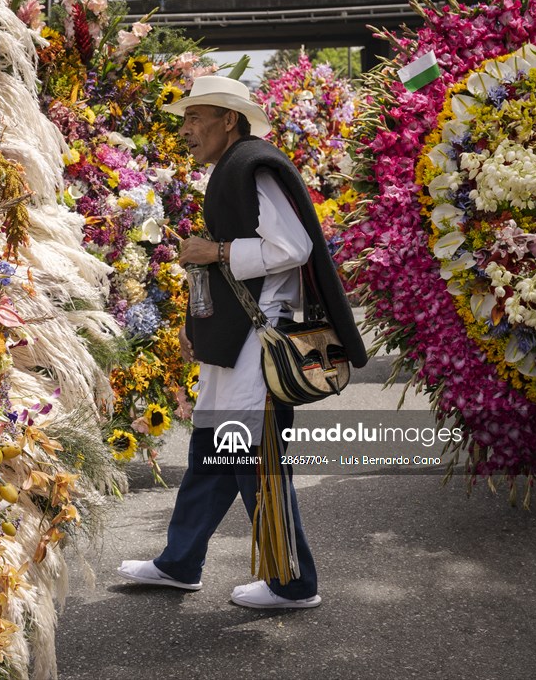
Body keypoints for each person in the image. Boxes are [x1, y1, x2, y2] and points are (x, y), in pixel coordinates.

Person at [116, 75, 366, 608]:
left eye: (195, 117)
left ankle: (292, 585)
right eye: (183, 119)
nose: (186, 129)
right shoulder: (236, 166)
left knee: (254, 460)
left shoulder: (251, 163)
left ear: (228, 118)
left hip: (259, 346)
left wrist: (218, 252)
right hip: (239, 343)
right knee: (213, 454)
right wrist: (197, 324)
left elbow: (293, 247)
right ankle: (179, 563)